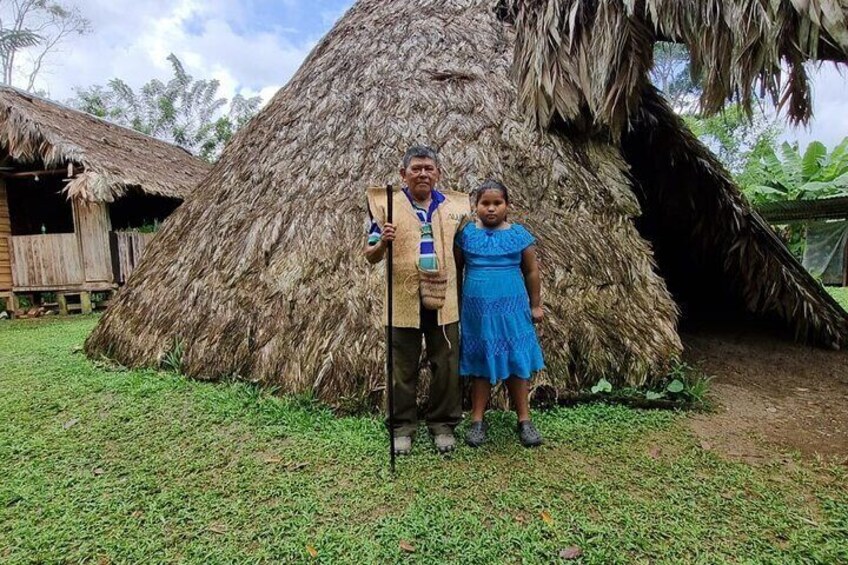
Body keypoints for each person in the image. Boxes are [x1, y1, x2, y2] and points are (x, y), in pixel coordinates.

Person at [364, 145, 470, 455]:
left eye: (428, 168)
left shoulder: (455, 208)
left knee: (447, 362)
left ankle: (442, 424)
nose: (422, 173)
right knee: (401, 365)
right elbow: (370, 255)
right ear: (403, 174)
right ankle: (402, 427)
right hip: (403, 297)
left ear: (437, 173)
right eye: (416, 168)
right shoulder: (387, 207)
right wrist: (382, 242)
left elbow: (463, 251)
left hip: (444, 297)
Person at [456, 179, 545, 448]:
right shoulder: (466, 235)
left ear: (507, 206)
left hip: (513, 310)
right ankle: (477, 421)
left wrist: (536, 304)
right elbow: (457, 270)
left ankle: (524, 420)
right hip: (477, 312)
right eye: (485, 203)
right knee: (481, 364)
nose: (491, 209)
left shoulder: (519, 235)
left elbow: (531, 271)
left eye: (497, 203)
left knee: (517, 363)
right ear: (476, 206)